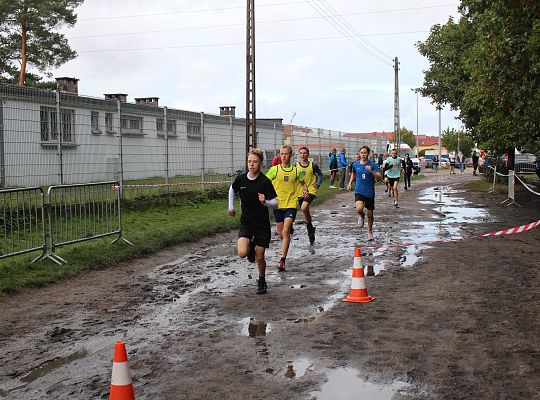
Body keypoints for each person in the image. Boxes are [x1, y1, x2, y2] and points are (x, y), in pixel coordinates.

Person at [228, 148, 278, 294]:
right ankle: (250, 246)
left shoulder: (265, 182)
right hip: (247, 222)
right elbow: (232, 189)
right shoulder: (241, 179)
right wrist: (231, 207)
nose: (251, 164)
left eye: (255, 162)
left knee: (259, 256)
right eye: (249, 161)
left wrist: (266, 202)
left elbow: (276, 203)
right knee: (242, 253)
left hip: (262, 225)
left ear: (261, 164)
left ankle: (262, 280)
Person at [266, 145, 309, 272]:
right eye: (281, 154)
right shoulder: (274, 170)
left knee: (285, 232)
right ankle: (288, 230)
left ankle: (282, 260)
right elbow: (264, 183)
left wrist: (305, 190)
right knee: (282, 235)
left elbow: (303, 183)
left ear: (290, 156)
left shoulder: (296, 171)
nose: (283, 156)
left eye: (286, 154)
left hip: (290, 205)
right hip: (277, 205)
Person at [347, 145, 382, 241]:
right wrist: (350, 183)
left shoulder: (372, 165)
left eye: (365, 153)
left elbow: (380, 178)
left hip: (369, 192)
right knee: (359, 209)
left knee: (370, 215)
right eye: (361, 153)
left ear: (368, 154)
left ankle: (370, 232)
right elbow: (353, 174)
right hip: (359, 191)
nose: (363, 154)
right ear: (359, 154)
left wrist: (371, 171)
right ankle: (361, 215)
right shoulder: (355, 164)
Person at [296, 146, 324, 245]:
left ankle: (309, 227)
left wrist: (318, 183)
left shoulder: (313, 165)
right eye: (301, 153)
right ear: (299, 155)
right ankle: (310, 227)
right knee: (305, 211)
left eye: (304, 153)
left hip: (311, 190)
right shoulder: (295, 166)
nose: (303, 155)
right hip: (300, 192)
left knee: (304, 208)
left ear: (308, 154)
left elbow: (320, 175)